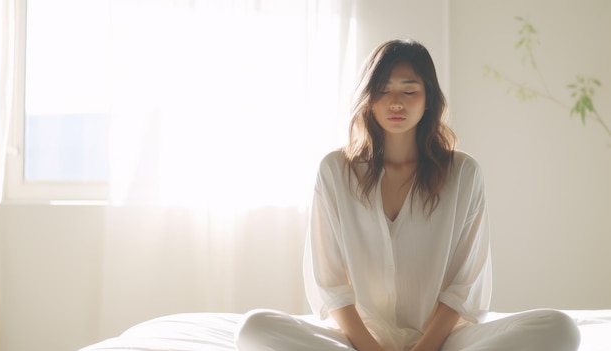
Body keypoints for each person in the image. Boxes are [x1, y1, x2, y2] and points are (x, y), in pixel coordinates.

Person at [234, 38, 580, 351]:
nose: (395, 102)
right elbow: (331, 284)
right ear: (368, 99)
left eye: (409, 90)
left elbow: (464, 284)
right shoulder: (335, 170)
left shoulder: (463, 173)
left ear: (429, 98)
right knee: (254, 328)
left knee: (559, 328)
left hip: (444, 341)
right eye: (383, 90)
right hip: (358, 340)